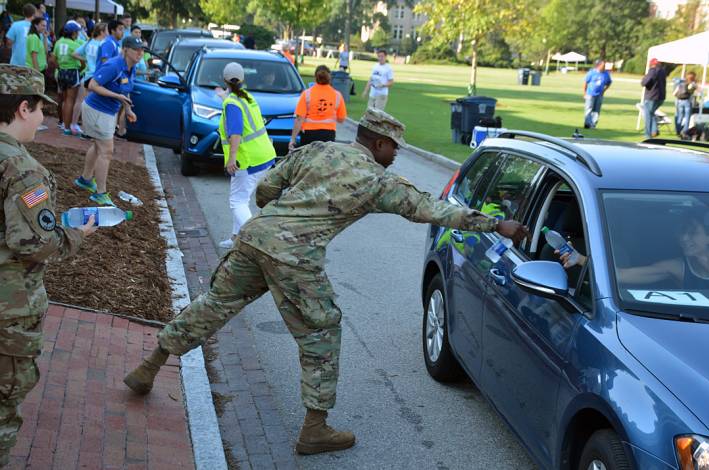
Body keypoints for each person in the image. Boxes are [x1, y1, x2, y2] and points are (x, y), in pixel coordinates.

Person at [123, 107, 530, 455]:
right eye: (394, 148)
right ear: (380, 143)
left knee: (215, 303)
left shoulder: (318, 149)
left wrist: (281, 218)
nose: (395, 156)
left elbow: (265, 188)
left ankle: (148, 366)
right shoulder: (378, 180)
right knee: (322, 332)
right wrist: (498, 224)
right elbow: (431, 210)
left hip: (256, 236)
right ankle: (314, 429)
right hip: (295, 257)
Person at [0, 64, 96, 466]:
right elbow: (34, 241)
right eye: (41, 110)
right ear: (23, 108)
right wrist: (75, 233)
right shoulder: (21, 169)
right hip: (9, 308)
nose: (43, 119)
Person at [558, 216, 709, 288]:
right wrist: (580, 259)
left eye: (692, 233)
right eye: (681, 233)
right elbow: (620, 275)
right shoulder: (676, 267)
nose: (684, 238)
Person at [212, 62, 276, 249]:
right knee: (241, 199)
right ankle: (235, 239)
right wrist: (224, 95)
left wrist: (231, 158)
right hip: (263, 156)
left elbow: (236, 134)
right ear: (242, 79)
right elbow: (234, 99)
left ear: (224, 80)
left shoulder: (232, 103)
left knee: (237, 202)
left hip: (247, 160)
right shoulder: (245, 97)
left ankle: (257, 241)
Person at [75, 35, 142, 206]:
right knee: (107, 151)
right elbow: (92, 85)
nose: (140, 53)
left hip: (107, 112)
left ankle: (85, 179)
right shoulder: (114, 65)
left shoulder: (130, 68)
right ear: (125, 50)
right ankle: (100, 193)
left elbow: (125, 90)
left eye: (142, 50)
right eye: (136, 49)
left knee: (98, 147)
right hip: (97, 110)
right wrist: (116, 95)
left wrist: (127, 109)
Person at [289, 65, 346, 150]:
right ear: (330, 78)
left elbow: (299, 118)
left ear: (315, 78)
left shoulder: (307, 94)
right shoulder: (337, 95)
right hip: (328, 134)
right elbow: (341, 119)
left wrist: (293, 139)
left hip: (309, 134)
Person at [72, 22, 107, 136]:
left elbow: (74, 54)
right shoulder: (103, 45)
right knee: (92, 105)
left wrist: (86, 60)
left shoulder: (89, 42)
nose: (108, 32)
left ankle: (74, 124)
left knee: (79, 101)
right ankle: (87, 130)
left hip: (87, 76)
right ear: (102, 32)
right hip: (96, 77)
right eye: (106, 30)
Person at [54, 21, 84, 136]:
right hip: (72, 72)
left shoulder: (58, 42)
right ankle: (68, 128)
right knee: (70, 100)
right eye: (77, 32)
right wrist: (81, 70)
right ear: (73, 33)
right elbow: (82, 61)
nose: (78, 35)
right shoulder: (75, 45)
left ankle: (64, 125)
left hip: (61, 72)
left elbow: (53, 59)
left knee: (65, 99)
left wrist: (61, 67)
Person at [641, 58, 667, 138]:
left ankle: (648, 134)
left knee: (648, 115)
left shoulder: (652, 70)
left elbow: (645, 82)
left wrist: (643, 80)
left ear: (651, 64)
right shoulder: (662, 71)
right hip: (661, 97)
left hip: (651, 96)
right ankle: (654, 130)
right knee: (651, 113)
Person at [582, 59, 611, 129]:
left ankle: (593, 124)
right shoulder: (592, 73)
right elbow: (586, 82)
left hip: (599, 95)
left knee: (596, 110)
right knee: (588, 109)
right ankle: (587, 124)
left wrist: (604, 90)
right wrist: (584, 92)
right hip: (590, 94)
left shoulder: (606, 74)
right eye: (603, 66)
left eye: (605, 66)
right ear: (598, 66)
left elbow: (609, 82)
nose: (604, 67)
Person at [673, 71, 698, 139]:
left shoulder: (681, 83)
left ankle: (678, 131)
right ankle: (684, 131)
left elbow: (674, 93)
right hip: (687, 101)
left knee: (680, 117)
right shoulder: (692, 84)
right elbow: (695, 91)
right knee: (687, 118)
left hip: (679, 101)